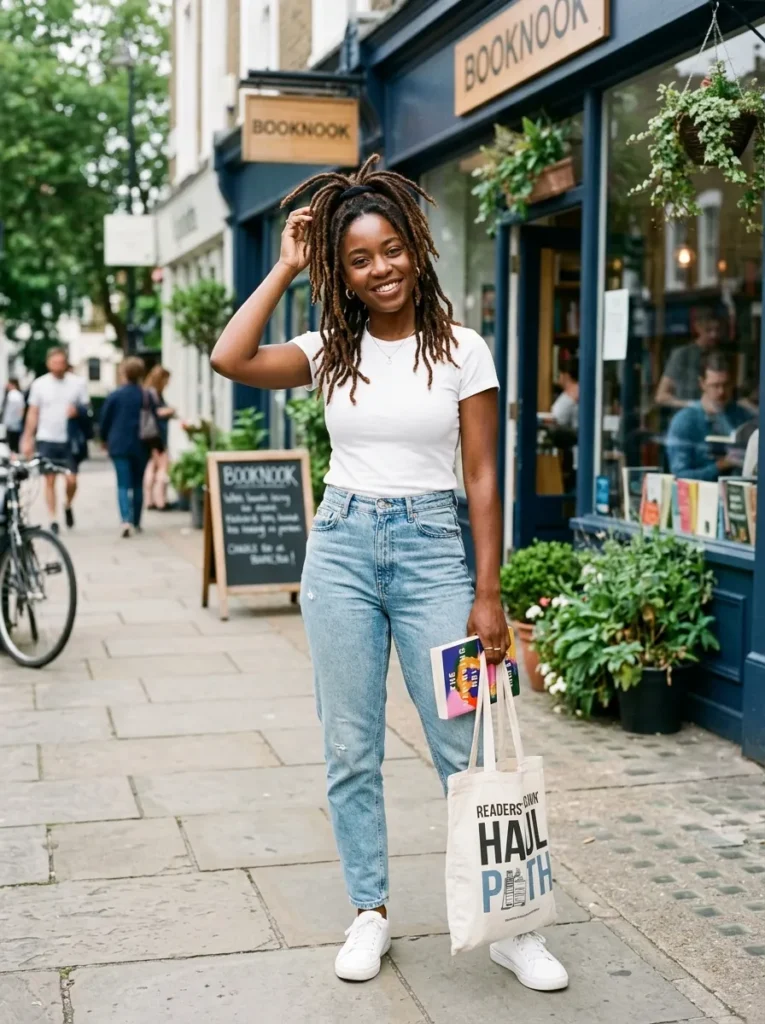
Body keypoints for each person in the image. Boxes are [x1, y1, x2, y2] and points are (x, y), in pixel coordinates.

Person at [210, 155, 569, 992]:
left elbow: (482, 478)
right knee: (350, 747)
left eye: (390, 250)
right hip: (339, 550)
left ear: (416, 244)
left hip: (434, 556)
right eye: (359, 260)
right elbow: (230, 357)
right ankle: (368, 911)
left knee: (465, 743)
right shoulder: (328, 350)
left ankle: (509, 921)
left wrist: (489, 593)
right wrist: (288, 262)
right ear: (342, 273)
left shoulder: (464, 351)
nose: (380, 270)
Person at [21, 348, 89, 534]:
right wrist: (28, 438)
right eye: (55, 363)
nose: (58, 366)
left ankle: (67, 504)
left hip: (69, 439)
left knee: (71, 480)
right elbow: (33, 412)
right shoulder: (40, 384)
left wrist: (78, 412)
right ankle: (52, 517)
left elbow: (86, 408)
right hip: (47, 438)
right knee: (49, 480)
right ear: (48, 363)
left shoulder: (77, 383)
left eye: (61, 363)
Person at [666, 351, 754, 481]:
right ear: (702, 384)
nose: (721, 392)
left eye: (726, 385)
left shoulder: (742, 416)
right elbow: (680, 475)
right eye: (715, 385)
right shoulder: (685, 421)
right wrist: (720, 466)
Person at [99, 356, 158, 538]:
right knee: (137, 484)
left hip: (119, 445)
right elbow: (154, 419)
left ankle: (125, 520)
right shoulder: (147, 395)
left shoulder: (115, 395)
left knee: (123, 484)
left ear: (124, 372)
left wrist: (103, 439)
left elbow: (104, 420)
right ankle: (137, 521)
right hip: (142, 444)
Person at [656, 310, 722, 409]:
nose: (714, 335)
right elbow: (661, 396)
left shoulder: (719, 355)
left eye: (717, 330)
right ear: (698, 328)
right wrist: (693, 405)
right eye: (708, 330)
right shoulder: (682, 355)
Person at [142, 365, 175, 510]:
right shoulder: (153, 394)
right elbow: (156, 413)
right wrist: (169, 411)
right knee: (163, 467)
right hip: (157, 436)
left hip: (150, 437)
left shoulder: (146, 393)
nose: (168, 383)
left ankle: (149, 500)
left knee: (152, 467)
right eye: (166, 380)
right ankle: (161, 500)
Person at [2, 379, 26, 452]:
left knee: (12, 443)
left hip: (12, 422)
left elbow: (19, 409)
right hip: (16, 422)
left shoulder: (12, 394)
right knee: (15, 442)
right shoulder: (18, 394)